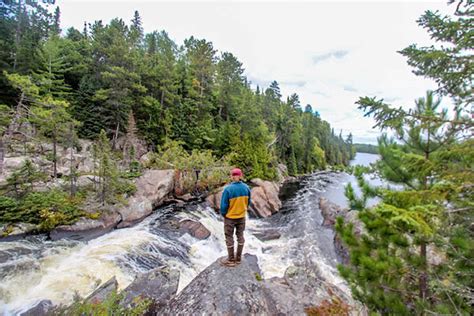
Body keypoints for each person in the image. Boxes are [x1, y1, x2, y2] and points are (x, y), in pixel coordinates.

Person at [219, 167, 251, 267]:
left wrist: (224, 214)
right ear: (241, 176)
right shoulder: (246, 188)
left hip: (230, 217)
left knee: (229, 237)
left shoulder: (228, 189)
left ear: (232, 177)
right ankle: (238, 258)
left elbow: (223, 206)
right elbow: (248, 202)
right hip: (241, 216)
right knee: (240, 236)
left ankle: (231, 259)